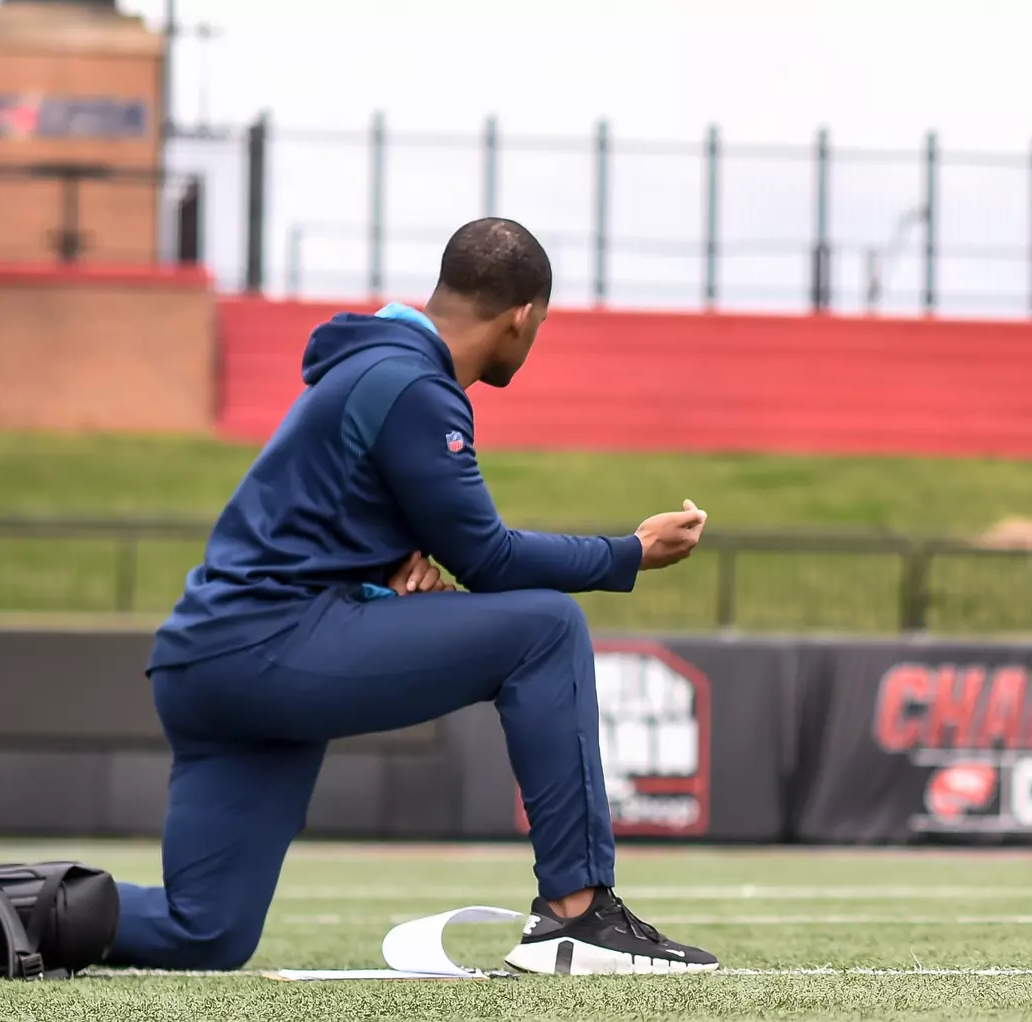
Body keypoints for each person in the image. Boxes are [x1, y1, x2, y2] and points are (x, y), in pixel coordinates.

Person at [109, 218, 719, 976]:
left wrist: (376, 571)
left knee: (202, 932)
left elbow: (314, 525)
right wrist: (628, 553)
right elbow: (488, 558)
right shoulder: (415, 386)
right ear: (522, 317)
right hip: (268, 646)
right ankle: (578, 916)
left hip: (207, 660)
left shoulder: (370, 366)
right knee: (547, 628)